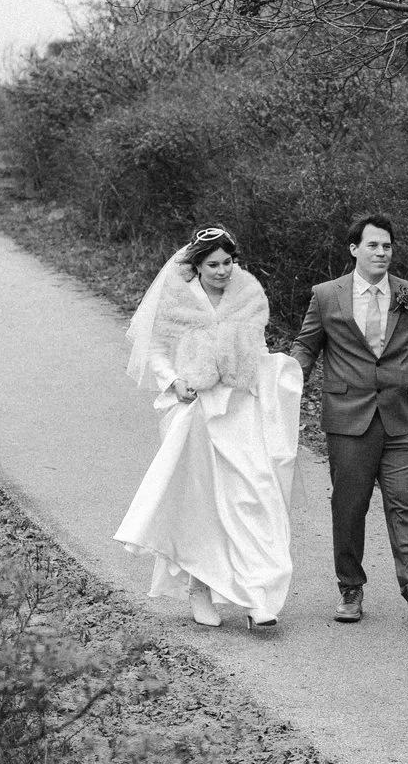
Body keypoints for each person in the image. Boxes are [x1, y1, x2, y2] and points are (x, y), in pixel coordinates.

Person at [115, 223, 302, 633]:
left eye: (228, 262)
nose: (222, 271)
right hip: (194, 410)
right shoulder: (178, 299)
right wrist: (173, 380)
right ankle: (198, 587)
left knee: (252, 496)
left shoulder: (247, 296)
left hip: (240, 408)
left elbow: (255, 349)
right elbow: (155, 349)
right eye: (213, 264)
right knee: (201, 503)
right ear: (197, 266)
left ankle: (257, 597)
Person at [289, 212, 408, 626]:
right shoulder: (327, 295)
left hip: (401, 418)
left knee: (405, 504)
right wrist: (285, 384)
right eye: (373, 245)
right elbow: (306, 347)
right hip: (348, 419)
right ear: (354, 249)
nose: (382, 252)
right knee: (349, 507)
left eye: (387, 246)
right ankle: (350, 588)